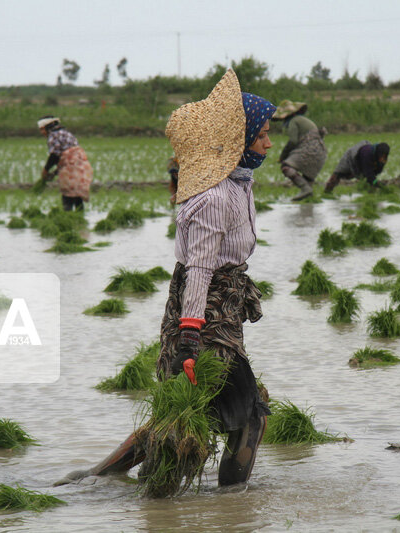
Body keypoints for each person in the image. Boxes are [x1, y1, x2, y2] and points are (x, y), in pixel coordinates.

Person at [55, 69, 274, 489]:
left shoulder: (237, 184)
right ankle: (233, 503)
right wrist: (189, 341)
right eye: (261, 135)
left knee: (190, 409)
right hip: (204, 309)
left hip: (222, 305)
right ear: (240, 141)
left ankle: (97, 477)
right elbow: (200, 270)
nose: (268, 143)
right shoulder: (214, 198)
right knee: (248, 418)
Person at [271, 100, 327, 201]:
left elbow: (293, 141)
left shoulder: (294, 121)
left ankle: (305, 189)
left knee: (286, 167)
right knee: (307, 180)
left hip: (309, 150)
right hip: (320, 152)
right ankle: (308, 203)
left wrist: (283, 156)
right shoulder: (302, 119)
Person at [37, 116, 93, 211]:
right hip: (81, 165)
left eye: (42, 129)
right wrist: (55, 172)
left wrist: (45, 170)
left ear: (48, 127)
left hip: (71, 166)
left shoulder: (53, 136)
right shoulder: (67, 134)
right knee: (77, 194)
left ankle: (67, 216)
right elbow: (64, 157)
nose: (42, 133)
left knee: (67, 195)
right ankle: (79, 218)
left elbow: (55, 155)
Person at [323, 141, 390, 193]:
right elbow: (369, 174)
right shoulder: (367, 154)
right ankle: (326, 193)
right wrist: (378, 184)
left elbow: (376, 172)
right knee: (336, 176)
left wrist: (374, 182)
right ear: (378, 153)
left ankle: (369, 196)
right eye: (382, 156)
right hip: (351, 158)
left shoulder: (382, 159)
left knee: (370, 182)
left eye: (384, 157)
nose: (382, 159)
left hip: (361, 166)